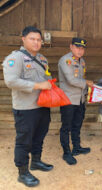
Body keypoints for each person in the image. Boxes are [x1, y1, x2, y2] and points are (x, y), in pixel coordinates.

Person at [2, 26, 53, 187]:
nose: (36, 42)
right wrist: (39, 86)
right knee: (24, 140)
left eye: (39, 40)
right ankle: (22, 173)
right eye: (32, 39)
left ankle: (36, 162)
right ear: (23, 39)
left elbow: (48, 78)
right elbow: (11, 81)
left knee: (39, 136)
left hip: (43, 106)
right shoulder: (15, 58)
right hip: (25, 109)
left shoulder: (43, 59)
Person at [58, 38, 93, 165]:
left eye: (82, 48)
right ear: (71, 47)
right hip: (68, 100)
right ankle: (66, 152)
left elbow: (80, 79)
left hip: (79, 99)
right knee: (66, 127)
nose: (80, 50)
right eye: (77, 47)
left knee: (77, 124)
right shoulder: (65, 60)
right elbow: (71, 80)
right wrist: (87, 83)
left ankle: (76, 147)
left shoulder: (82, 61)